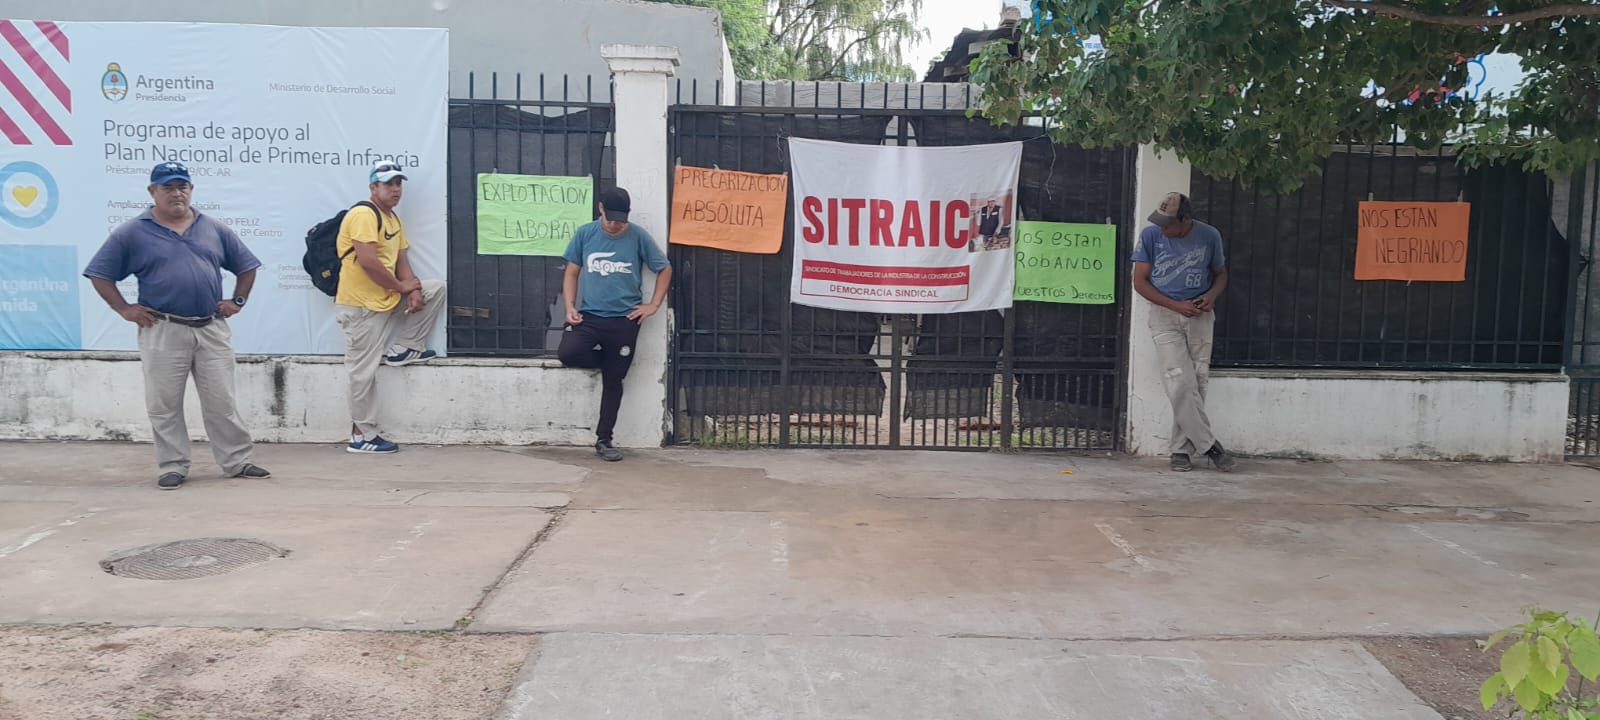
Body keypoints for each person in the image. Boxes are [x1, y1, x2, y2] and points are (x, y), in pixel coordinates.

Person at [83, 161, 272, 490]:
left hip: (211, 329)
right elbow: (100, 273)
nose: (176, 193)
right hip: (163, 328)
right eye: (168, 187)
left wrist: (238, 301)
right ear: (152, 191)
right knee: (164, 403)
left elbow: (247, 266)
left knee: (222, 401)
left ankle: (237, 461)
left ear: (191, 189)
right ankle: (173, 465)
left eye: (182, 186)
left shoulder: (212, 228)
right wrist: (124, 308)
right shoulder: (133, 232)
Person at [335, 161, 447, 454]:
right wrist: (402, 287)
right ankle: (362, 435)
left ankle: (405, 347)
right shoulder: (363, 214)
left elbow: (401, 260)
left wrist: (413, 288)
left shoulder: (393, 218)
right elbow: (368, 262)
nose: (395, 189)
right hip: (361, 307)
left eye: (398, 184)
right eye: (388, 184)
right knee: (362, 372)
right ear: (373, 187)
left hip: (385, 298)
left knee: (434, 289)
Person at [558, 187, 672, 462]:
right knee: (569, 353)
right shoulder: (586, 234)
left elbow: (664, 268)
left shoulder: (638, 236)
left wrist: (654, 304)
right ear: (601, 209)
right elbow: (572, 273)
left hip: (625, 319)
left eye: (620, 220)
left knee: (614, 380)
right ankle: (609, 361)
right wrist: (570, 307)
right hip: (590, 316)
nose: (614, 225)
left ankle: (604, 439)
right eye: (610, 219)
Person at [1131, 191, 1236, 473]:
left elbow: (1221, 273)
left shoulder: (1209, 235)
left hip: (1200, 315)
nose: (1162, 228)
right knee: (1178, 381)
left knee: (1196, 383)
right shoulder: (1150, 236)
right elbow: (1139, 282)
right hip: (1164, 315)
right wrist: (1176, 306)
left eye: (1168, 224)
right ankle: (1210, 446)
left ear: (1185, 219)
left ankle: (1181, 450)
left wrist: (1212, 296)